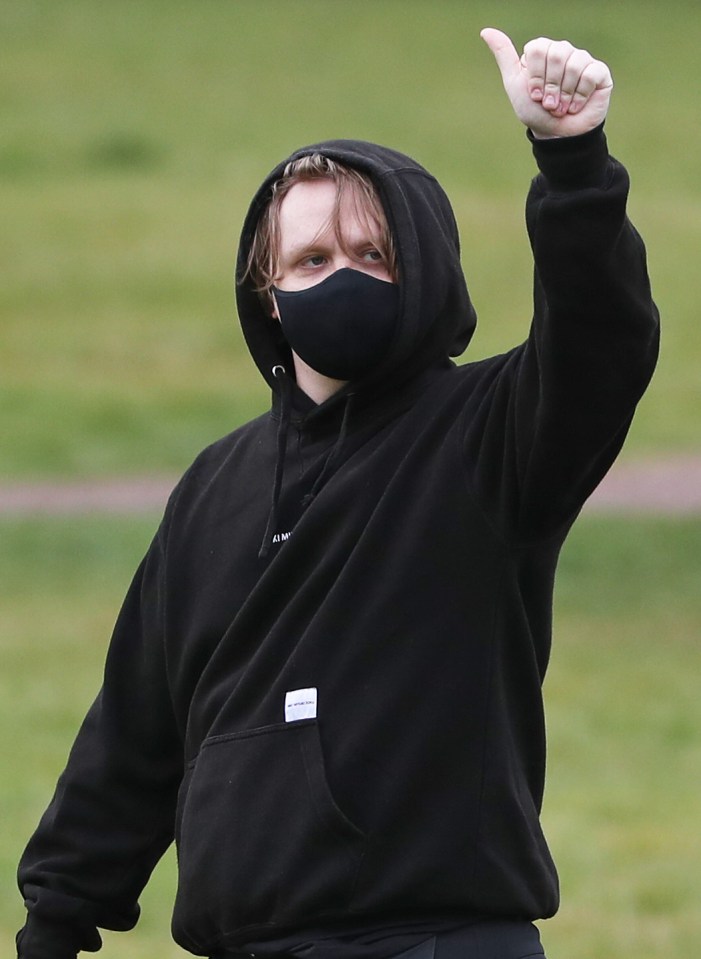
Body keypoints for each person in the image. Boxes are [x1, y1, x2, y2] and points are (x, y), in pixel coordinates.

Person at [16, 28, 659, 959]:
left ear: (423, 267)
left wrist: (573, 164)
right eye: (311, 260)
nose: (340, 274)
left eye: (371, 252)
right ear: (267, 292)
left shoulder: (490, 434)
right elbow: (133, 734)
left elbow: (601, 344)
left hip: (434, 940)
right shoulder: (214, 486)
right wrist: (55, 921)